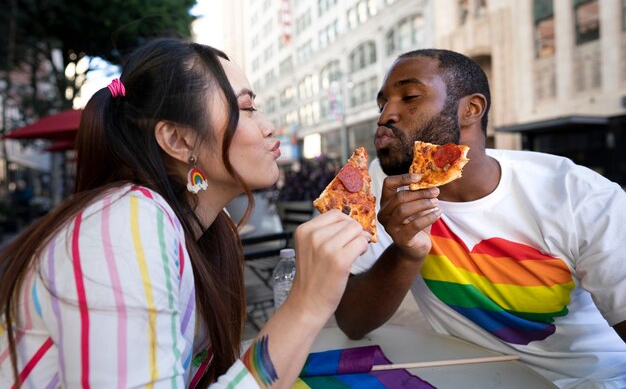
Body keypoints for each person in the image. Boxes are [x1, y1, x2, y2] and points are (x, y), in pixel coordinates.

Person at [0, 38, 371, 388]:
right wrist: (306, 303)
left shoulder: (207, 230)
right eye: (246, 108)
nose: (268, 125)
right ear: (178, 140)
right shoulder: (121, 229)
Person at [334, 49, 626, 387]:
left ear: (471, 109)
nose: (386, 116)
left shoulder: (579, 196)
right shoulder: (383, 187)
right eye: (381, 104)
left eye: (409, 96)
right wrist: (405, 252)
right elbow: (353, 322)